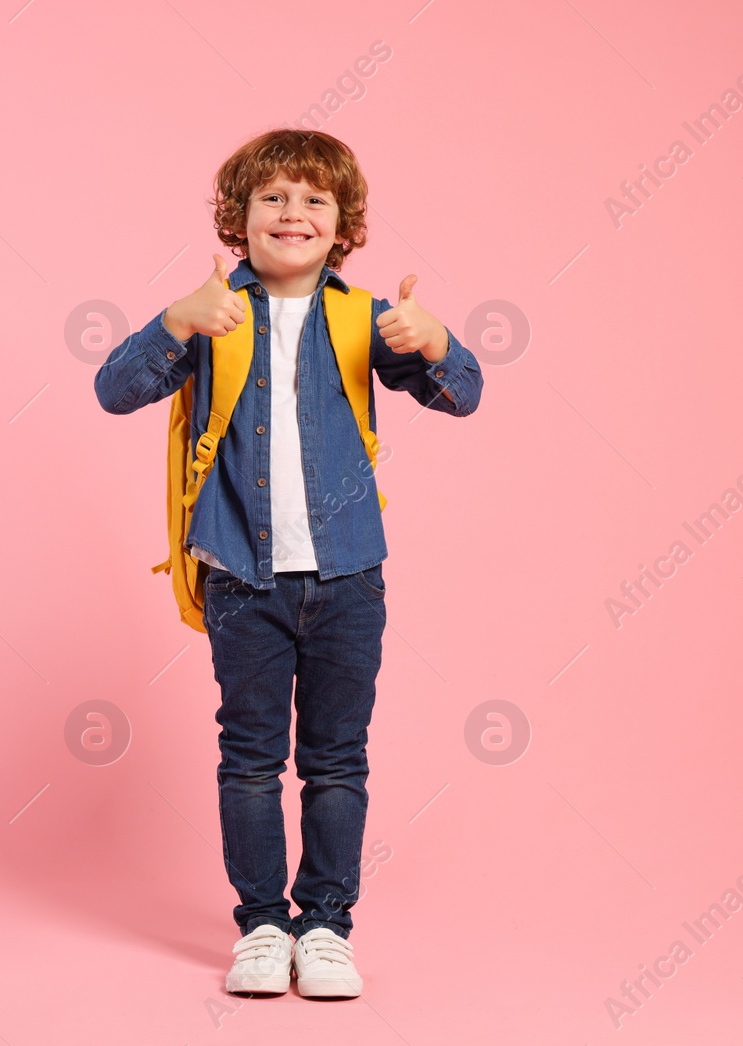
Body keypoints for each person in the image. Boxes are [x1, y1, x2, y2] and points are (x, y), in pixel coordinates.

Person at [93, 128, 483, 998]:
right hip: (241, 575)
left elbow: (463, 396)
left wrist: (433, 340)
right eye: (273, 197)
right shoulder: (210, 309)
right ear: (241, 217)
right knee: (251, 756)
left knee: (338, 757)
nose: (293, 213)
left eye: (314, 199)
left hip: (348, 576)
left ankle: (327, 925)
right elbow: (114, 390)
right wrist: (171, 323)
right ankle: (263, 924)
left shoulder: (361, 316)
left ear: (343, 223)